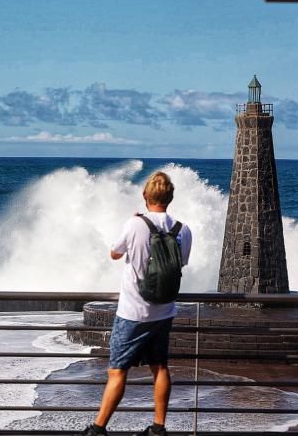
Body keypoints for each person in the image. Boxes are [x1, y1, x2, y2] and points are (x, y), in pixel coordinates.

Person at [77, 171, 192, 436]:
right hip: (164, 312)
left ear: (144, 196)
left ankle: (98, 429)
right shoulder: (183, 229)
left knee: (117, 371)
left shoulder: (134, 224)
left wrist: (135, 224)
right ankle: (158, 428)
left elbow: (114, 253)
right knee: (160, 368)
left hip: (132, 313)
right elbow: (182, 262)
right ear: (170, 197)